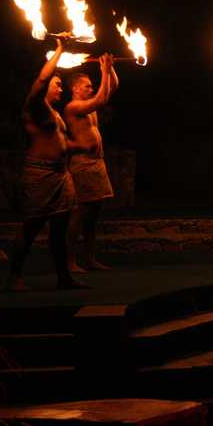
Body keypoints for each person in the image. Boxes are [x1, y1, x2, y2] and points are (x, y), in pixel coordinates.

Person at [6, 39, 87, 291]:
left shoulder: (54, 113)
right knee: (31, 227)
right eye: (58, 84)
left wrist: (78, 146)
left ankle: (64, 277)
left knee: (60, 229)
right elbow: (42, 80)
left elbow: (58, 142)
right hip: (40, 175)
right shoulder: (35, 107)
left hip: (61, 174)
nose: (61, 89)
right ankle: (14, 277)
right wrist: (60, 49)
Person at [64, 54, 116, 272]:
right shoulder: (73, 107)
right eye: (87, 86)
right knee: (80, 214)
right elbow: (102, 98)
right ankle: (70, 262)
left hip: (97, 164)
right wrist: (104, 70)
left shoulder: (89, 105)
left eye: (91, 86)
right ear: (75, 89)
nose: (91, 89)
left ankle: (89, 259)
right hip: (82, 165)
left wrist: (110, 68)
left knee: (94, 216)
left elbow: (111, 89)